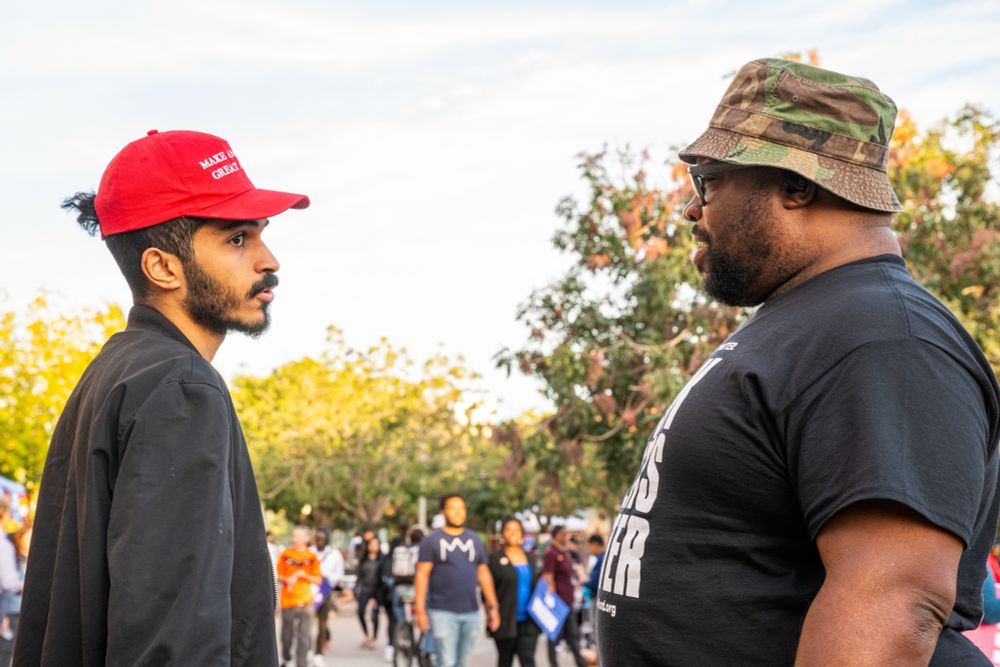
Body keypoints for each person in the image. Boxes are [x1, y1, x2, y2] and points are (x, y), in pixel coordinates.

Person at [596, 58, 1000, 666]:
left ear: (796, 184)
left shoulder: (885, 338)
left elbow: (895, 606)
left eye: (708, 180)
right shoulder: (819, 322)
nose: (691, 211)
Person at [13, 129, 309, 666]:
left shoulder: (118, 372)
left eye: (260, 234)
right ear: (162, 267)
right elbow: (172, 640)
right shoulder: (179, 386)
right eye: (237, 239)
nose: (270, 260)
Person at [414, 493, 501, 667]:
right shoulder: (432, 540)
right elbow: (422, 574)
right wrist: (420, 610)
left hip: (471, 611)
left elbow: (483, 573)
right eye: (453, 508)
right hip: (441, 611)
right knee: (446, 661)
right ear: (443, 512)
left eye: (461, 508)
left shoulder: (474, 539)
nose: (458, 512)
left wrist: (492, 607)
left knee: (463, 662)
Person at [488, 516, 540, 667]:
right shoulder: (494, 559)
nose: (512, 533)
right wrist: (490, 611)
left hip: (529, 621)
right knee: (505, 661)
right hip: (505, 620)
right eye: (508, 530)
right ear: (502, 534)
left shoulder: (531, 558)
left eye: (516, 530)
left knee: (528, 660)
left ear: (522, 533)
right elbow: (487, 590)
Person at [542, 526, 587, 667]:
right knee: (554, 636)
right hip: (558, 602)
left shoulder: (565, 551)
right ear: (555, 535)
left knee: (573, 634)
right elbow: (547, 577)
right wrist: (552, 599)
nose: (565, 536)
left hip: (569, 600)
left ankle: (581, 663)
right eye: (562, 534)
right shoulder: (551, 553)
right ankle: (553, 663)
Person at [277, 527, 322, 667]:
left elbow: (318, 579)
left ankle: (301, 663)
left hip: (306, 601)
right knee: (287, 635)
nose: (296, 539)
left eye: (300, 536)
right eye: (295, 536)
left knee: (304, 636)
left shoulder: (311, 557)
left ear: (306, 539)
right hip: (288, 600)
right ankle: (286, 657)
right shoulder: (285, 554)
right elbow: (277, 575)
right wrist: (286, 579)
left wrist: (305, 575)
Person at [312, 528, 344, 660]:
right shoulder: (310, 552)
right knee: (307, 623)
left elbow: (339, 574)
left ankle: (319, 652)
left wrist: (326, 576)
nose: (319, 541)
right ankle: (307, 649)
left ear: (326, 539)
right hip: (310, 590)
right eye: (317, 539)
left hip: (325, 591)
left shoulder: (334, 554)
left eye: (322, 539)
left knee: (322, 623)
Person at [355, 536, 385, 650]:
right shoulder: (363, 560)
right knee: (360, 612)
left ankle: (375, 638)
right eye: (372, 544)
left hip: (377, 590)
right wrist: (357, 589)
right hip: (365, 589)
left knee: (375, 615)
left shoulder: (382, 560)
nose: (374, 547)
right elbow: (359, 576)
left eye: (376, 544)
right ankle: (367, 635)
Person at [582, 534, 604, 653]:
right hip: (597, 598)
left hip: (597, 598)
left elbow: (594, 583)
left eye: (590, 546)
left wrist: (583, 580)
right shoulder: (601, 559)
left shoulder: (601, 560)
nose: (589, 549)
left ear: (595, 545)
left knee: (596, 627)